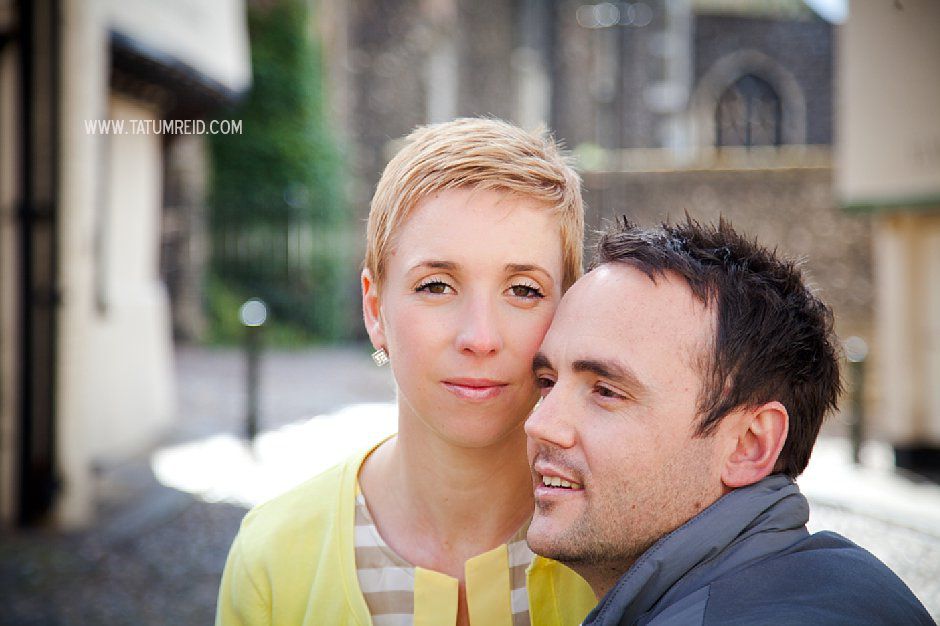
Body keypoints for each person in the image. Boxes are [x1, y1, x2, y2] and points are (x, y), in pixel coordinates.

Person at [215, 118, 596, 625]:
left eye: (523, 290)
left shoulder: (620, 551)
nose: (480, 338)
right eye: (436, 285)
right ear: (375, 310)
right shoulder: (273, 558)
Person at [525, 217, 935, 625]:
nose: (540, 424)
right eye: (547, 381)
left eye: (606, 391)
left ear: (749, 443)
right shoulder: (845, 586)